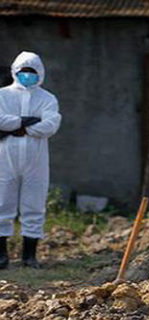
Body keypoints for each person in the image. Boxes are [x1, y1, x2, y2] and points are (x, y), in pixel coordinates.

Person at [0, 51, 61, 270]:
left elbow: (50, 125)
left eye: (32, 71)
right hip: (4, 159)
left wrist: (18, 127)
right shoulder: (3, 96)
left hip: (35, 161)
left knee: (34, 204)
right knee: (2, 203)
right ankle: (2, 255)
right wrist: (28, 122)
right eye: (23, 71)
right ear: (15, 71)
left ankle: (29, 255)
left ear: (40, 73)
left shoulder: (47, 99)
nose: (27, 75)